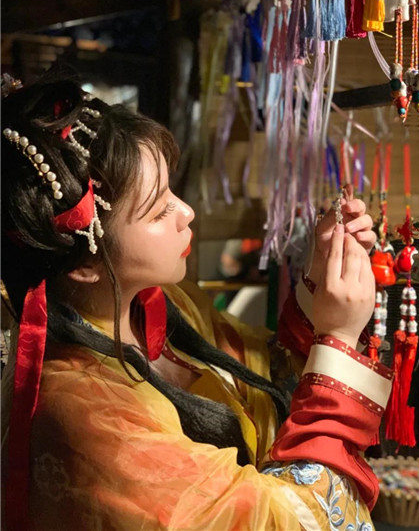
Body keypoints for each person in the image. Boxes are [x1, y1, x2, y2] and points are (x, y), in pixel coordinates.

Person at [1, 74, 392, 531]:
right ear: (85, 265)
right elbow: (281, 518)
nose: (186, 212)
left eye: (171, 190)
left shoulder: (164, 305)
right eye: (157, 210)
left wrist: (321, 280)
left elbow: (269, 373)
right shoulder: (87, 416)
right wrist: (338, 338)